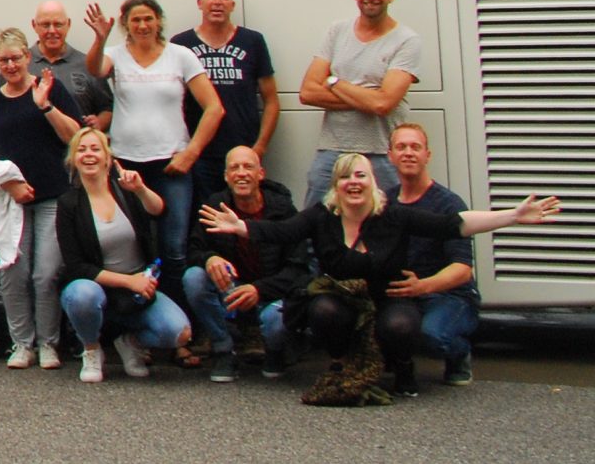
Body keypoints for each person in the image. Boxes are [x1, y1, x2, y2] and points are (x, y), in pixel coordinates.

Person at [202, 153, 558, 406]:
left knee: (401, 326)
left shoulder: (394, 215)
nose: (353, 182)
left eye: (361, 176)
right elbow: (280, 231)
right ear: (336, 185)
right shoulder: (322, 216)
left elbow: (455, 225)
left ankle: (402, 367)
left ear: (373, 183)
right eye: (345, 176)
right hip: (343, 298)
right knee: (322, 310)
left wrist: (512, 216)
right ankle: (340, 361)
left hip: (390, 297)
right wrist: (242, 227)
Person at [83, 0, 222, 355]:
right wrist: (99, 37)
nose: (142, 25)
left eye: (148, 18)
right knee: (133, 248)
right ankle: (135, 326)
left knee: (174, 250)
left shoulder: (181, 56)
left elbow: (213, 109)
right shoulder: (117, 54)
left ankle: (181, 336)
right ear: (126, 23)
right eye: (135, 20)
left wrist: (190, 153)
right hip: (127, 165)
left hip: (172, 166)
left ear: (159, 21)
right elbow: (95, 68)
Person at [0, 29, 84, 369]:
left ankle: (49, 343)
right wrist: (8, 183)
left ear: (27, 57)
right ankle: (22, 343)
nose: (10, 65)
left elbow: (75, 136)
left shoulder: (49, 88)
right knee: (13, 272)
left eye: (16, 58)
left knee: (46, 273)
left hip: (52, 196)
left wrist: (45, 106)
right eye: (3, 60)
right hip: (12, 201)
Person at [55, 125, 192, 383]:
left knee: (179, 333)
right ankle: (92, 348)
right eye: (81, 150)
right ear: (73, 159)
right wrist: (129, 281)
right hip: (100, 286)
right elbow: (76, 266)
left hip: (139, 288)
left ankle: (130, 341)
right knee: (80, 293)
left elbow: (159, 211)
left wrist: (140, 189)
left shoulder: (125, 192)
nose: (89, 155)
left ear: (108, 158)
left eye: (95, 149)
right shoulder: (68, 203)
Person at [299, 0, 423, 215]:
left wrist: (335, 82)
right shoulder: (338, 31)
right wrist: (369, 95)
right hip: (333, 148)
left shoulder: (407, 41)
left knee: (391, 220)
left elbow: (383, 104)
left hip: (382, 152)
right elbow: (308, 92)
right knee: (315, 219)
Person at [182, 144, 311, 382]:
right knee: (194, 278)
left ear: (260, 174)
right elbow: (193, 249)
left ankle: (275, 351)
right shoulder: (215, 206)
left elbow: (300, 268)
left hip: (273, 292)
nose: (241, 173)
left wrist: (260, 289)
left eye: (248, 167)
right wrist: (209, 258)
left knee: (278, 321)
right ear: (226, 176)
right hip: (232, 289)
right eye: (234, 168)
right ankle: (224, 349)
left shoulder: (284, 210)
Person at [381, 123, 484, 391]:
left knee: (431, 336)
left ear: (428, 155)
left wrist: (423, 286)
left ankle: (458, 353)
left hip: (449, 295)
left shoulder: (448, 204)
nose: (408, 153)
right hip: (403, 293)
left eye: (415, 147)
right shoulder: (383, 202)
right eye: (401, 147)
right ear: (390, 156)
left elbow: (462, 270)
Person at [172, 0, 279, 178]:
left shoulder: (252, 41)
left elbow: (271, 100)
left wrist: (260, 147)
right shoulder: (181, 44)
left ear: (232, 5)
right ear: (200, 3)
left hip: (243, 153)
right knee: (203, 209)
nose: (218, 1)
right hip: (198, 153)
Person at [26, 1, 114, 128]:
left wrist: (99, 122)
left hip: (76, 145)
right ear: (34, 25)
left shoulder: (88, 65)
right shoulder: (21, 65)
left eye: (58, 24)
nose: (52, 30)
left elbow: (108, 108)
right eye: (45, 25)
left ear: (68, 24)